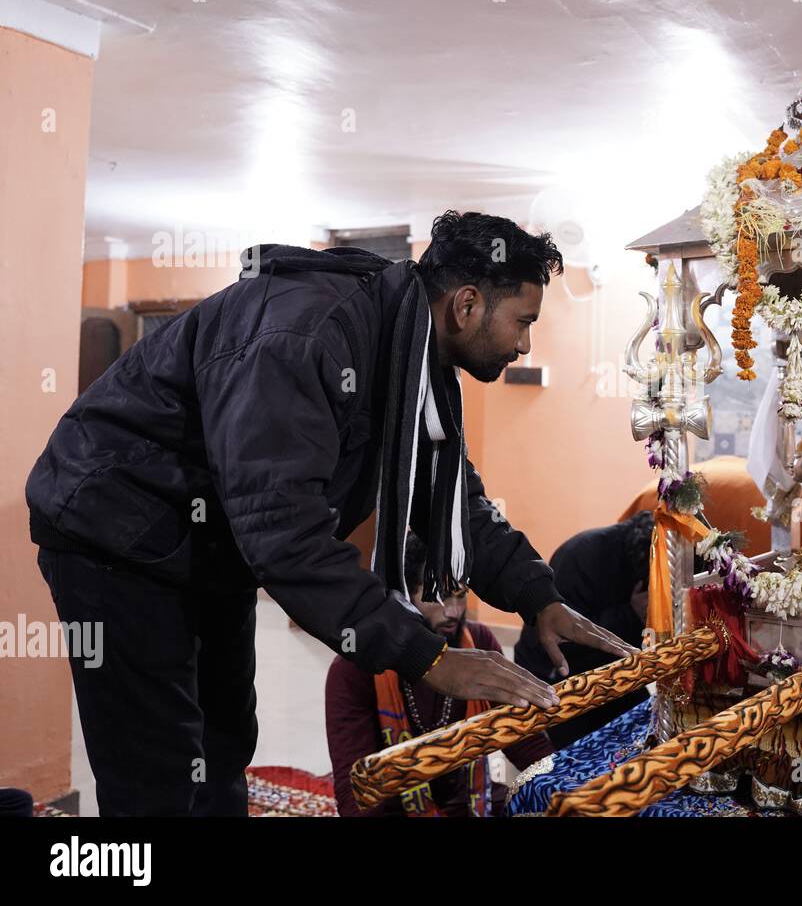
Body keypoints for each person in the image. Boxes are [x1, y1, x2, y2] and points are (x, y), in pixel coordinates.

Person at [26, 210, 635, 816]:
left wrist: (539, 597)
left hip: (207, 541)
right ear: (468, 305)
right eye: (524, 321)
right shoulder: (308, 333)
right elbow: (283, 531)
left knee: (222, 740)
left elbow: (448, 494)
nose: (524, 343)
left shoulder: (409, 348)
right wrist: (428, 656)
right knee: (156, 767)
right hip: (114, 529)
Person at [326, 532, 552, 816]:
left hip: (472, 802)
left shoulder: (478, 644)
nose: (454, 612)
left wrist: (565, 785)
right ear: (405, 595)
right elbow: (355, 791)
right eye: (440, 595)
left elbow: (521, 736)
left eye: (461, 596)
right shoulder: (355, 666)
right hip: (395, 809)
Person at [514, 512, 655, 748]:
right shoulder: (584, 555)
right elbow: (564, 642)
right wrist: (631, 614)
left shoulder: (641, 559)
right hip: (558, 678)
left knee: (646, 741)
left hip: (613, 674)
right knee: (581, 767)